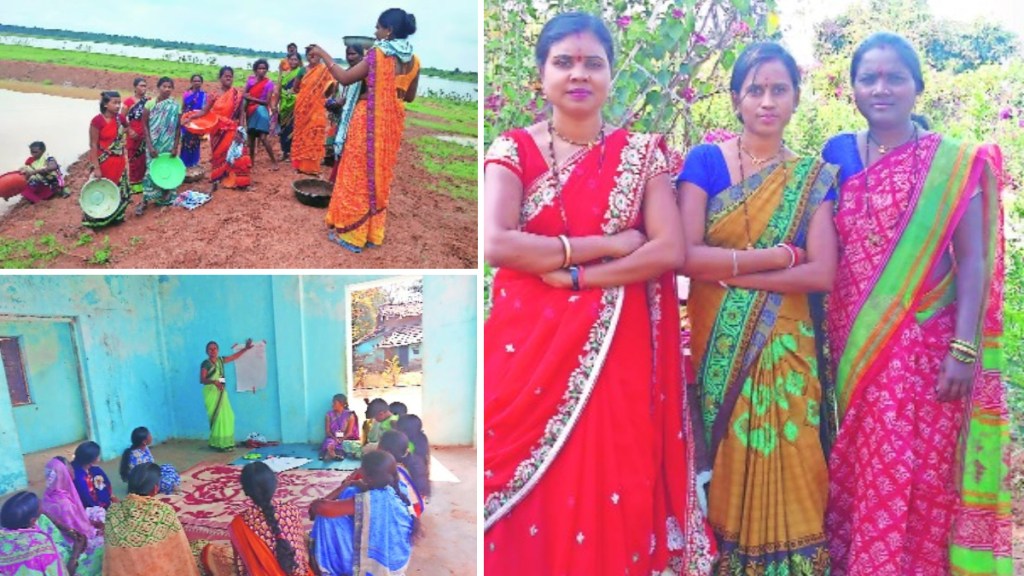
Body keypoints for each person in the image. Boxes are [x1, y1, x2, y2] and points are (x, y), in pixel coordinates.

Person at [481, 12, 713, 574]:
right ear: (542, 76)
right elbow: (497, 244)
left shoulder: (643, 154)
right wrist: (603, 244)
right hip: (528, 343)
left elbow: (666, 249)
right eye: (564, 62)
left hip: (617, 344)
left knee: (613, 466)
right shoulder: (513, 150)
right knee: (520, 468)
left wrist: (582, 277)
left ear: (610, 76)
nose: (578, 74)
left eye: (593, 63)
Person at [821, 32, 1009, 575]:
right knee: (860, 464)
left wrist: (964, 348)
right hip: (854, 345)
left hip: (925, 345)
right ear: (852, 88)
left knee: (916, 469)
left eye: (894, 77)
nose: (881, 88)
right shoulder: (836, 155)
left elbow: (972, 261)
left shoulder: (951, 164)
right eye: (869, 78)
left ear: (917, 88)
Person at [677, 41, 838, 574]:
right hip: (722, 339)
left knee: (795, 449)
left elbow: (821, 272)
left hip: (788, 343)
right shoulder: (705, 161)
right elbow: (686, 256)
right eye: (756, 90)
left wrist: (735, 271)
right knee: (729, 454)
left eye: (779, 90)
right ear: (736, 99)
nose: (767, 101)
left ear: (795, 99)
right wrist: (775, 258)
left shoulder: (813, 177)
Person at [308, 7, 422, 252]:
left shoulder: (377, 55)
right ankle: (371, 233)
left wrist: (322, 53)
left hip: (367, 122)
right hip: (392, 125)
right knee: (379, 175)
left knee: (356, 174)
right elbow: (409, 97)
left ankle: (351, 233)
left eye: (378, 27)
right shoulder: (415, 61)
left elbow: (345, 78)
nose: (375, 31)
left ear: (389, 30)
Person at [309, 450, 418, 576]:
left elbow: (319, 508)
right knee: (352, 492)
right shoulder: (395, 488)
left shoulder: (371, 499)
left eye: (362, 469)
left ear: (369, 477)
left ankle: (330, 566)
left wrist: (343, 486)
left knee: (326, 518)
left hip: (378, 567)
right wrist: (359, 484)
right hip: (398, 563)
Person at [198, 461, 314, 576]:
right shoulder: (293, 511)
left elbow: (242, 567)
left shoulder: (238, 524)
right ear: (274, 484)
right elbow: (302, 556)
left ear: (246, 491)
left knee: (210, 553)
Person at [103, 463, 199, 576]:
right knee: (200, 547)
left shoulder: (113, 511)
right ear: (155, 488)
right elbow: (179, 551)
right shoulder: (164, 511)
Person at [183, 66, 246, 192]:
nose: (228, 78)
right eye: (226, 76)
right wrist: (191, 117)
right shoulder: (213, 95)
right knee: (218, 156)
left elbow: (242, 113)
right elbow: (204, 112)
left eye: (230, 76)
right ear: (220, 78)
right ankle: (217, 179)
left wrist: (240, 129)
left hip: (232, 129)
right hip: (217, 130)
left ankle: (234, 180)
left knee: (235, 155)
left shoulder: (237, 95)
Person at [41, 457, 105, 571]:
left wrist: (92, 522)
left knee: (97, 512)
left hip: (60, 535)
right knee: (105, 542)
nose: (72, 469)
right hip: (72, 543)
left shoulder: (48, 494)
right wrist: (95, 529)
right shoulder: (64, 504)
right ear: (63, 473)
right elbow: (78, 532)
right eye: (69, 467)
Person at [200, 338, 255, 451]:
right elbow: (202, 380)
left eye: (215, 349)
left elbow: (234, 357)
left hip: (221, 392)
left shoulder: (221, 360)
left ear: (218, 350)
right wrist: (214, 382)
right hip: (211, 392)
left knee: (228, 416)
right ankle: (219, 444)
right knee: (218, 418)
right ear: (207, 351)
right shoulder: (205, 364)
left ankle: (225, 442)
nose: (213, 351)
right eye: (210, 349)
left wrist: (245, 348)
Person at [86, 90, 130, 227]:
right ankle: (99, 219)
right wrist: (96, 167)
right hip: (104, 161)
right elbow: (93, 144)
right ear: (105, 105)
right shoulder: (97, 121)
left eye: (119, 103)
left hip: (119, 160)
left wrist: (132, 134)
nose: (118, 106)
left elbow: (128, 129)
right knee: (103, 188)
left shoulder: (120, 119)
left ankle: (117, 217)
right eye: (114, 103)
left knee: (119, 189)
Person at [138, 76, 181, 215]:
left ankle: (166, 195)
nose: (167, 89)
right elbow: (144, 125)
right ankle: (145, 199)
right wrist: (150, 146)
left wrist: (175, 146)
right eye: (164, 86)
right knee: (150, 170)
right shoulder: (150, 104)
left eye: (169, 87)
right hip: (153, 144)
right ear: (158, 88)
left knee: (168, 169)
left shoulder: (175, 105)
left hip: (168, 144)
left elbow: (178, 127)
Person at [290, 47, 335, 175]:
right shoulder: (302, 70)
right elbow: (296, 87)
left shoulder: (324, 71)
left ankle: (312, 167)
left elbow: (330, 89)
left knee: (315, 133)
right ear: (306, 56)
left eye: (315, 54)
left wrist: (317, 95)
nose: (312, 57)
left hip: (318, 108)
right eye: (310, 55)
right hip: (302, 108)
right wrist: (307, 96)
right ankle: (300, 165)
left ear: (320, 56)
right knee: (301, 134)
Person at [0, 491, 67, 576]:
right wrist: (75, 553)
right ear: (33, 521)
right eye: (40, 510)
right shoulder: (41, 543)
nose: (43, 511)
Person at [325, 44, 366, 175]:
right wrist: (335, 103)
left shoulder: (364, 78)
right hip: (341, 120)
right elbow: (331, 99)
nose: (350, 57)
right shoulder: (344, 75)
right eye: (348, 54)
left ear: (362, 56)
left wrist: (351, 100)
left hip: (356, 121)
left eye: (353, 54)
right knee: (339, 155)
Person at [119, 426, 180, 494]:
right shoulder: (137, 457)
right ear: (144, 441)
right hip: (143, 482)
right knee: (167, 482)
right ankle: (171, 485)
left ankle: (172, 482)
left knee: (168, 467)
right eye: (150, 435)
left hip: (150, 473)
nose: (152, 436)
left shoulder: (144, 448)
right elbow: (144, 477)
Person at [378, 430, 427, 514]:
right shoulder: (407, 464)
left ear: (386, 452)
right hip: (417, 507)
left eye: (378, 445)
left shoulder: (388, 471)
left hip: (410, 512)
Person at [243, 59, 279, 169]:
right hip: (251, 111)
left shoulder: (269, 83)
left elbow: (266, 102)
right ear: (255, 70)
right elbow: (244, 94)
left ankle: (274, 162)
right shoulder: (250, 81)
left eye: (264, 68)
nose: (262, 71)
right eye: (259, 68)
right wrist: (247, 101)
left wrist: (251, 98)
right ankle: (251, 161)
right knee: (251, 138)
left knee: (263, 137)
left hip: (262, 111)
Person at [70, 441, 117, 511]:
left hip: (102, 502)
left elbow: (106, 485)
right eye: (98, 456)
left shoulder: (95, 470)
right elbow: (86, 499)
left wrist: (111, 496)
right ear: (91, 459)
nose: (99, 458)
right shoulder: (79, 478)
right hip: (90, 509)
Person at [122, 77, 149, 196]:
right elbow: (121, 118)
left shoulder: (149, 100)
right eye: (141, 85)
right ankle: (134, 185)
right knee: (133, 159)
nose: (143, 88)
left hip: (145, 133)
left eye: (145, 86)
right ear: (135, 87)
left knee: (144, 159)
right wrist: (128, 130)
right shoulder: (128, 102)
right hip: (133, 134)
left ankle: (144, 183)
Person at [276, 53, 305, 161]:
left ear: (299, 61)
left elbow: (301, 87)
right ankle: (284, 152)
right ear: (288, 61)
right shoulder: (284, 73)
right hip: (284, 103)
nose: (293, 62)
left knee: (292, 128)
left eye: (295, 60)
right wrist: (276, 104)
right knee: (283, 129)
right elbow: (279, 88)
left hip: (295, 103)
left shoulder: (300, 72)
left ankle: (292, 152)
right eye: (291, 60)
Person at [320, 393, 360, 460]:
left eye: (334, 403)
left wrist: (341, 439)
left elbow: (349, 432)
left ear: (341, 403)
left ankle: (331, 454)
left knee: (346, 444)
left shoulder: (350, 415)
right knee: (329, 442)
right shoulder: (329, 415)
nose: (332, 405)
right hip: (332, 437)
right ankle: (332, 453)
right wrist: (335, 439)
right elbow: (327, 431)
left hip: (345, 438)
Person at [180, 74, 207, 168]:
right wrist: (183, 120)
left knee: (196, 143)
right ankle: (184, 164)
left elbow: (205, 110)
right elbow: (183, 108)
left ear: (202, 83)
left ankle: (194, 163)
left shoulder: (204, 95)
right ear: (191, 82)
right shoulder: (187, 94)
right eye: (195, 81)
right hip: (187, 122)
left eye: (199, 81)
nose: (197, 83)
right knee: (186, 143)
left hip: (197, 123)